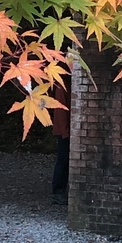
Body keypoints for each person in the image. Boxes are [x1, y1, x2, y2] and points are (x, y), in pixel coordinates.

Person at [51, 74, 71, 205]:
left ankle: (60, 189)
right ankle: (58, 189)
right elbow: (60, 111)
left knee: (65, 159)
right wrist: (65, 132)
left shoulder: (64, 84)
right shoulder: (62, 85)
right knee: (63, 159)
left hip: (65, 129)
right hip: (64, 130)